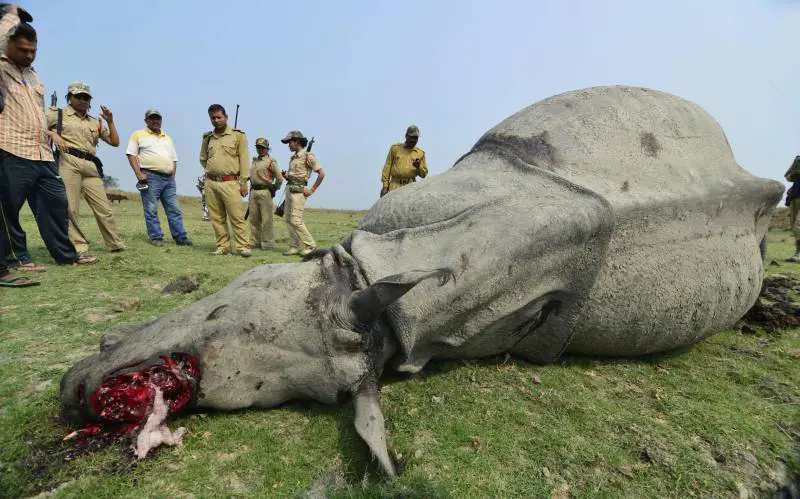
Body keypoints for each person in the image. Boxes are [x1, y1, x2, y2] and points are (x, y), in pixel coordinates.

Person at [0, 7, 98, 271]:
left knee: (56, 205)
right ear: (7, 45)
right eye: (23, 50)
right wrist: (10, 14)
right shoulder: (1, 69)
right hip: (11, 150)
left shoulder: (32, 74)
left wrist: (49, 135)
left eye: (34, 50)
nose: (30, 56)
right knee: (8, 211)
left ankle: (66, 255)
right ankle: (19, 258)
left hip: (42, 153)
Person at [46, 81, 125, 255]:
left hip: (91, 166)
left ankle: (115, 244)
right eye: (78, 97)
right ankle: (79, 246)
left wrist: (110, 122)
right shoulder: (57, 114)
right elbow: (35, 126)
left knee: (104, 209)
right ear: (70, 98)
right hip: (68, 162)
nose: (83, 100)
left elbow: (114, 142)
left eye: (86, 98)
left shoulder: (95, 121)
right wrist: (52, 134)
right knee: (71, 209)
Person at [125, 108, 192, 247]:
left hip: (168, 179)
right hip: (150, 177)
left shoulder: (167, 138)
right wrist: (139, 174)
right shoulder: (138, 135)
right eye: (152, 118)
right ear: (146, 120)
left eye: (158, 118)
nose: (155, 121)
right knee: (151, 209)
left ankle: (180, 237)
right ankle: (156, 236)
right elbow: (131, 154)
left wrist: (172, 176)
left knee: (174, 209)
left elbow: (174, 159)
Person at [199, 104, 250, 257]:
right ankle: (223, 247)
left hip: (231, 182)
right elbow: (203, 158)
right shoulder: (207, 137)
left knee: (237, 217)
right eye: (212, 118)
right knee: (216, 217)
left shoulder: (238, 136)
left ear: (226, 117)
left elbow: (244, 161)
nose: (216, 120)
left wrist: (243, 183)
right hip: (211, 183)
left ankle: (243, 247)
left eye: (219, 117)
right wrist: (212, 170)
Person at [280, 130, 325, 256]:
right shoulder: (293, 158)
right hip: (290, 190)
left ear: (297, 141)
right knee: (288, 219)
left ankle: (311, 245)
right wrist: (286, 176)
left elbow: (321, 173)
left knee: (296, 220)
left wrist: (312, 190)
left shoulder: (308, 156)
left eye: (290, 142)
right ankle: (294, 246)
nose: (288, 145)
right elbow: (294, 177)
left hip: (299, 193)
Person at [248, 137, 282, 249]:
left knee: (266, 219)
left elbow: (279, 178)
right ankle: (255, 241)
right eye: (258, 147)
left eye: (262, 147)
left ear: (267, 148)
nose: (260, 149)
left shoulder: (271, 162)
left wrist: (274, 189)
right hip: (253, 192)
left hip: (265, 191)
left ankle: (267, 243)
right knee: (253, 218)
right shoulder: (254, 161)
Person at [380, 125, 428, 197]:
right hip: (394, 186)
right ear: (406, 136)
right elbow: (387, 167)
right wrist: (385, 186)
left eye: (416, 138)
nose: (413, 140)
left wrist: (419, 167)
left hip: (411, 187)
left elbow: (424, 174)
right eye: (411, 137)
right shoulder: (395, 148)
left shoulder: (420, 153)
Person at [784, 155, 800, 262]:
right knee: (794, 226)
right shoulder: (798, 160)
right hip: (796, 197)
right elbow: (787, 176)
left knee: (798, 225)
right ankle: (798, 252)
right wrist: (796, 173)